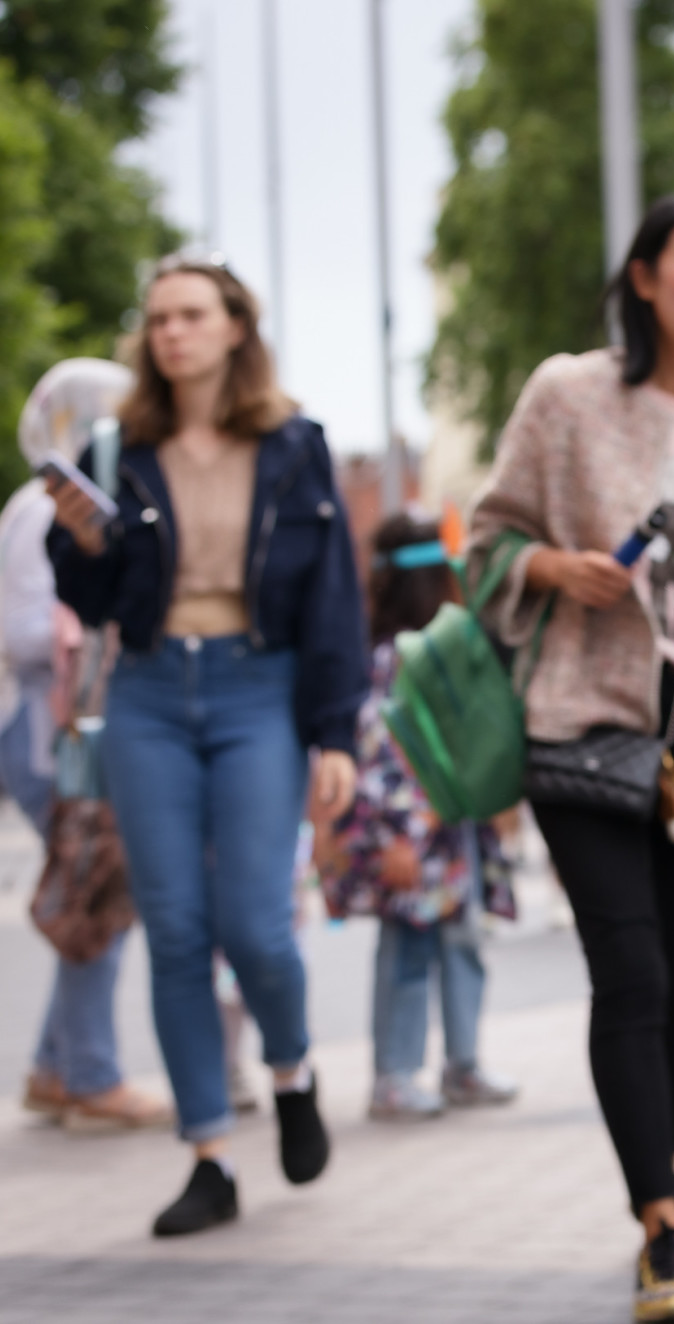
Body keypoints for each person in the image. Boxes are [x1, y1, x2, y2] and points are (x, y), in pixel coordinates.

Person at [467, 193, 674, 1321]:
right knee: (633, 972)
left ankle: (660, 1173)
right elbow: (486, 535)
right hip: (581, 721)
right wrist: (554, 570)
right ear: (645, 276)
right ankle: (662, 1220)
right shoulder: (566, 394)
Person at [46, 255, 366, 1236]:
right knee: (177, 930)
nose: (170, 332)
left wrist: (335, 731)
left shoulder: (294, 445)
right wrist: (79, 543)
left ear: (235, 327)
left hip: (256, 687)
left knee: (257, 926)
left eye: (190, 314)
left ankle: (293, 1067)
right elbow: (92, 603)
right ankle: (209, 1153)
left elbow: (331, 599)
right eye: (158, 320)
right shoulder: (118, 449)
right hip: (147, 692)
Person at [315, 512, 520, 1120]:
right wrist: (396, 836)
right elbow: (382, 749)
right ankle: (395, 1074)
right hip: (414, 833)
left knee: (461, 942)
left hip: (452, 829)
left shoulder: (435, 651)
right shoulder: (394, 658)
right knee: (407, 949)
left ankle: (463, 1062)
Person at [8, 359, 169, 1131]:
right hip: (53, 730)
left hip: (54, 725)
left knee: (90, 886)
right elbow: (25, 629)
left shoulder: (57, 506)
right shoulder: (51, 512)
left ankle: (54, 1069)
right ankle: (92, 1073)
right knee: (96, 887)